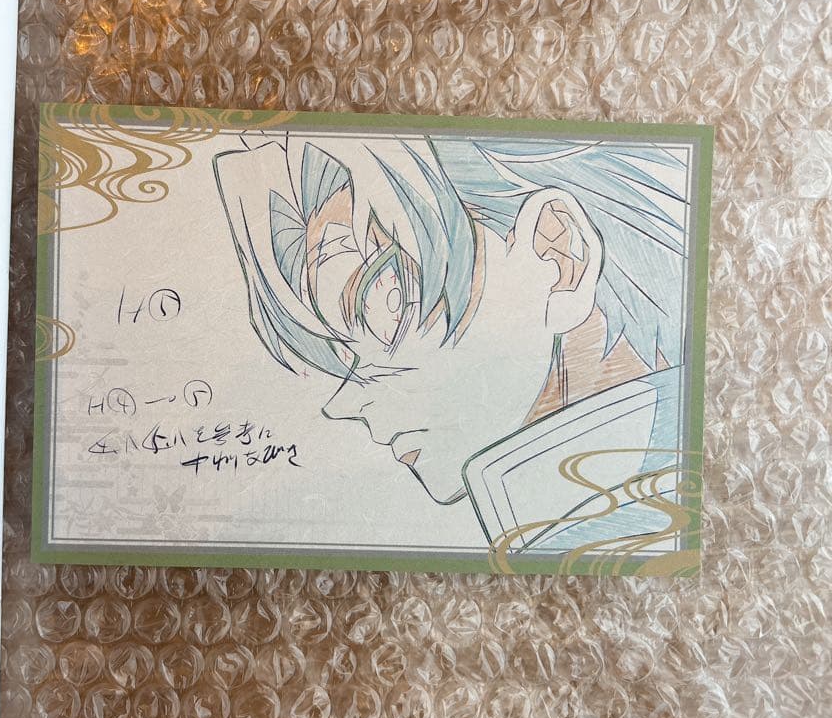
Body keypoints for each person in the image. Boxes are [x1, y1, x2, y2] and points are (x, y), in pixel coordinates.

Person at [213, 129, 691, 556]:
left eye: (390, 304)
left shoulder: (640, 525)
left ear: (558, 256)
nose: (344, 403)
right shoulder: (572, 519)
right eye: (342, 351)